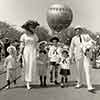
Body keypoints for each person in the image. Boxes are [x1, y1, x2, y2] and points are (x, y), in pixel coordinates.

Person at [69, 26, 95, 92]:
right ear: (75, 31)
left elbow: (92, 42)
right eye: (76, 30)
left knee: (88, 70)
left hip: (86, 55)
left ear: (81, 30)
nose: (78, 31)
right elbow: (71, 48)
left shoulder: (86, 36)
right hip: (78, 56)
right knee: (78, 70)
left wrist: (88, 47)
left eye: (79, 30)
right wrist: (70, 56)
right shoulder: (74, 39)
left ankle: (89, 86)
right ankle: (79, 83)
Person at [19, 20, 39, 90]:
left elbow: (36, 45)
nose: (32, 28)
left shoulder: (35, 36)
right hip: (26, 51)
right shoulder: (23, 36)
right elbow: (22, 45)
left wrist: (37, 52)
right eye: (30, 27)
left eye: (32, 27)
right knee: (26, 65)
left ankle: (30, 81)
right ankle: (27, 82)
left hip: (32, 51)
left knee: (32, 65)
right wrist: (20, 54)